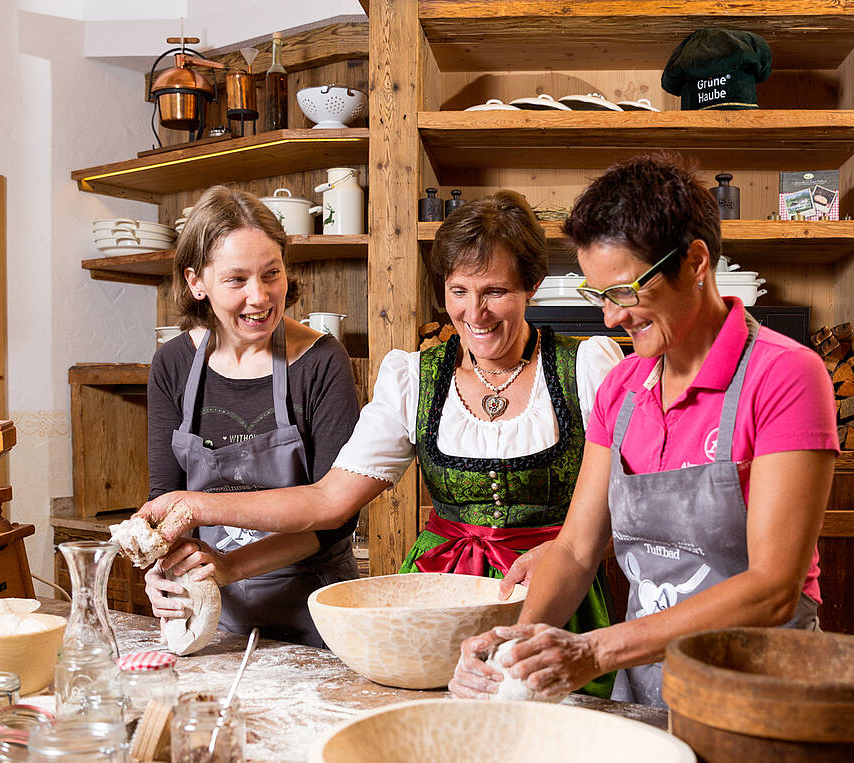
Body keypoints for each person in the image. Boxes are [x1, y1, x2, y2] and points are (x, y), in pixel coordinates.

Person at [135, 190, 623, 696]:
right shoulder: (415, 379)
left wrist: (573, 551)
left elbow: (629, 512)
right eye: (458, 291)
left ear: (532, 286)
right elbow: (331, 500)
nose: (475, 313)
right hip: (439, 597)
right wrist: (195, 517)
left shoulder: (586, 369)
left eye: (495, 291)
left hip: (557, 596)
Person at [448, 154, 840, 708]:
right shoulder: (623, 387)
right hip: (646, 686)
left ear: (696, 262)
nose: (611, 317)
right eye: (599, 294)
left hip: (762, 699)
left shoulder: (786, 376)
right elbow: (578, 549)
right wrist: (515, 646)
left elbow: (773, 589)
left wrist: (595, 652)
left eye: (625, 291)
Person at [144, 185, 360, 647]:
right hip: (212, 615)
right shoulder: (173, 366)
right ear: (196, 282)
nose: (260, 297)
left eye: (272, 274)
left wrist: (231, 566)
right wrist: (166, 572)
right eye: (236, 280)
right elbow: (166, 499)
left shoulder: (321, 363)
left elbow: (336, 519)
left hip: (315, 613)